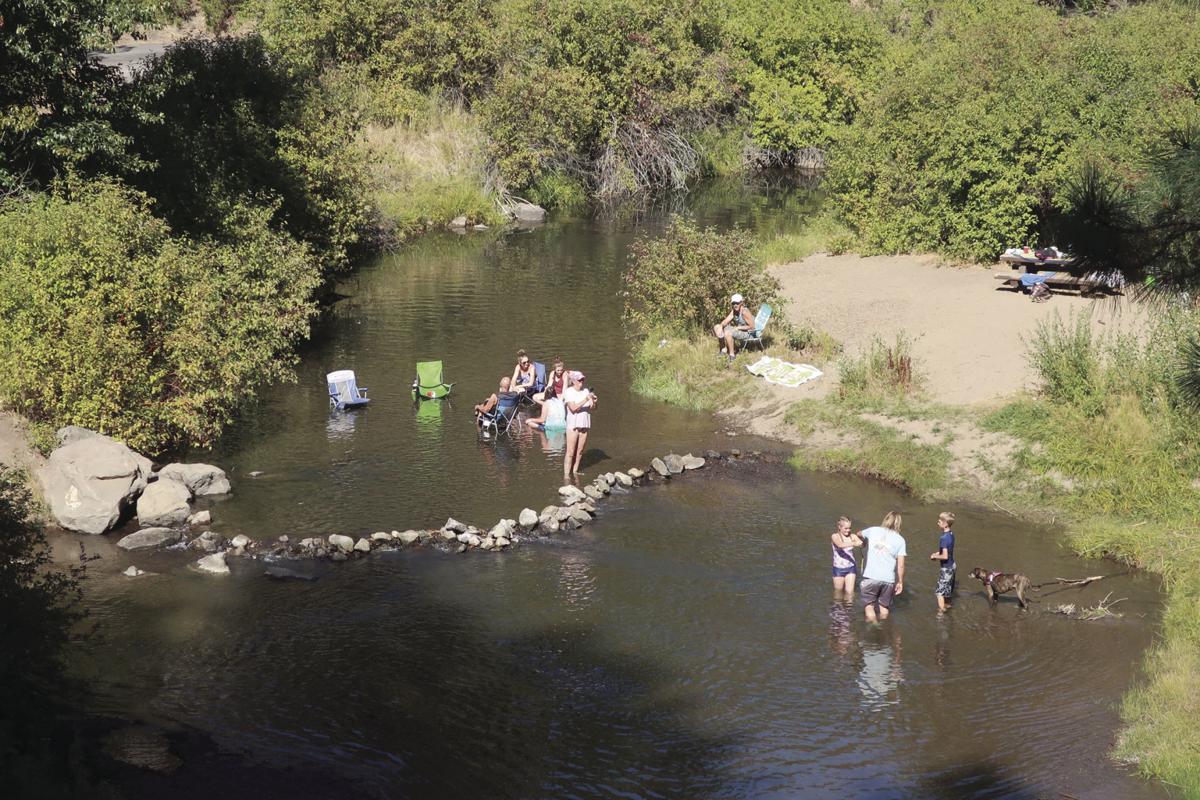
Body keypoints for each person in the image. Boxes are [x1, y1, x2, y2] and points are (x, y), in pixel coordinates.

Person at [859, 511, 906, 623]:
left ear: (886, 519)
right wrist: (900, 582)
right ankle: (884, 628)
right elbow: (901, 565)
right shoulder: (901, 540)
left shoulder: (873, 530)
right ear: (898, 524)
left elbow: (858, 533)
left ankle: (875, 626)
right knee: (884, 608)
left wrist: (863, 542)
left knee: (869, 606)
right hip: (888, 580)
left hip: (871, 577)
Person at [561, 370, 596, 477]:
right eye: (579, 379)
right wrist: (586, 399)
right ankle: (566, 475)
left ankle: (575, 471)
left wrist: (594, 401)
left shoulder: (586, 391)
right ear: (573, 381)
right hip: (573, 426)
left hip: (584, 425)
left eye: (582, 379)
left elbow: (593, 408)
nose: (582, 381)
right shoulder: (569, 392)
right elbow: (573, 408)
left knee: (580, 451)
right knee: (570, 452)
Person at [712, 293, 756, 364]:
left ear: (741, 303)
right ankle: (723, 349)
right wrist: (721, 326)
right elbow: (726, 320)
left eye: (737, 303)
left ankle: (732, 356)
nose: (735, 305)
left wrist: (739, 327)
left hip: (749, 333)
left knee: (728, 332)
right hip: (740, 330)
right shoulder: (734, 311)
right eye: (733, 303)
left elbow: (752, 327)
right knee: (716, 327)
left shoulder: (745, 312)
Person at [929, 511, 956, 613]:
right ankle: (948, 607)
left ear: (945, 524)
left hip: (946, 569)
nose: (938, 522)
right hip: (952, 566)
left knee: (939, 593)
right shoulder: (951, 534)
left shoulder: (943, 538)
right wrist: (937, 552)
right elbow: (948, 551)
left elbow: (944, 556)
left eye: (940, 521)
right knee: (948, 591)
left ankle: (941, 615)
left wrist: (934, 556)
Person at [831, 516, 863, 598]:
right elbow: (840, 545)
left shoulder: (852, 536)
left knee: (850, 593)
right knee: (838, 593)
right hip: (838, 569)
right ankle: (838, 610)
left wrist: (862, 541)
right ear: (839, 527)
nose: (848, 530)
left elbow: (861, 544)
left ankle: (848, 610)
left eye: (849, 528)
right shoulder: (835, 536)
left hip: (851, 567)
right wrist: (853, 543)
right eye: (845, 528)